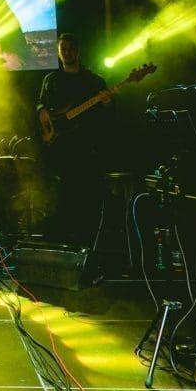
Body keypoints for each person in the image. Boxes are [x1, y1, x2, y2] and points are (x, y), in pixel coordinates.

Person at [35, 33, 114, 245]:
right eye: (63, 49)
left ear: (77, 51)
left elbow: (108, 118)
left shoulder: (94, 81)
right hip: (60, 147)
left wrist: (108, 104)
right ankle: (63, 241)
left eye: (70, 49)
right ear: (58, 52)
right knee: (62, 194)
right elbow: (40, 103)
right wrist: (42, 111)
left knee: (87, 195)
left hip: (86, 146)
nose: (67, 53)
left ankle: (86, 242)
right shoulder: (51, 80)